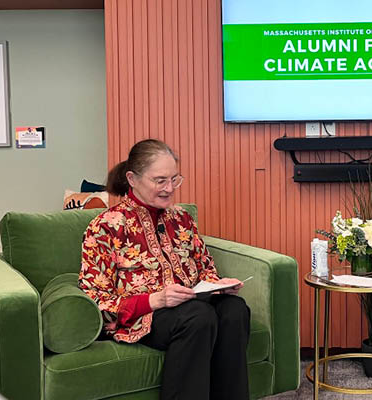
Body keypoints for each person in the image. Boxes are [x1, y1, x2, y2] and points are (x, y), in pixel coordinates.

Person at [79, 139, 250, 400]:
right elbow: (94, 298)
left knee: (235, 310)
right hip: (144, 315)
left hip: (192, 304)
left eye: (174, 179)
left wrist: (218, 285)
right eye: (160, 181)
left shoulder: (182, 218)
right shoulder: (106, 226)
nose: (169, 189)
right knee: (198, 317)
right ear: (132, 179)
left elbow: (205, 267)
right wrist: (154, 300)